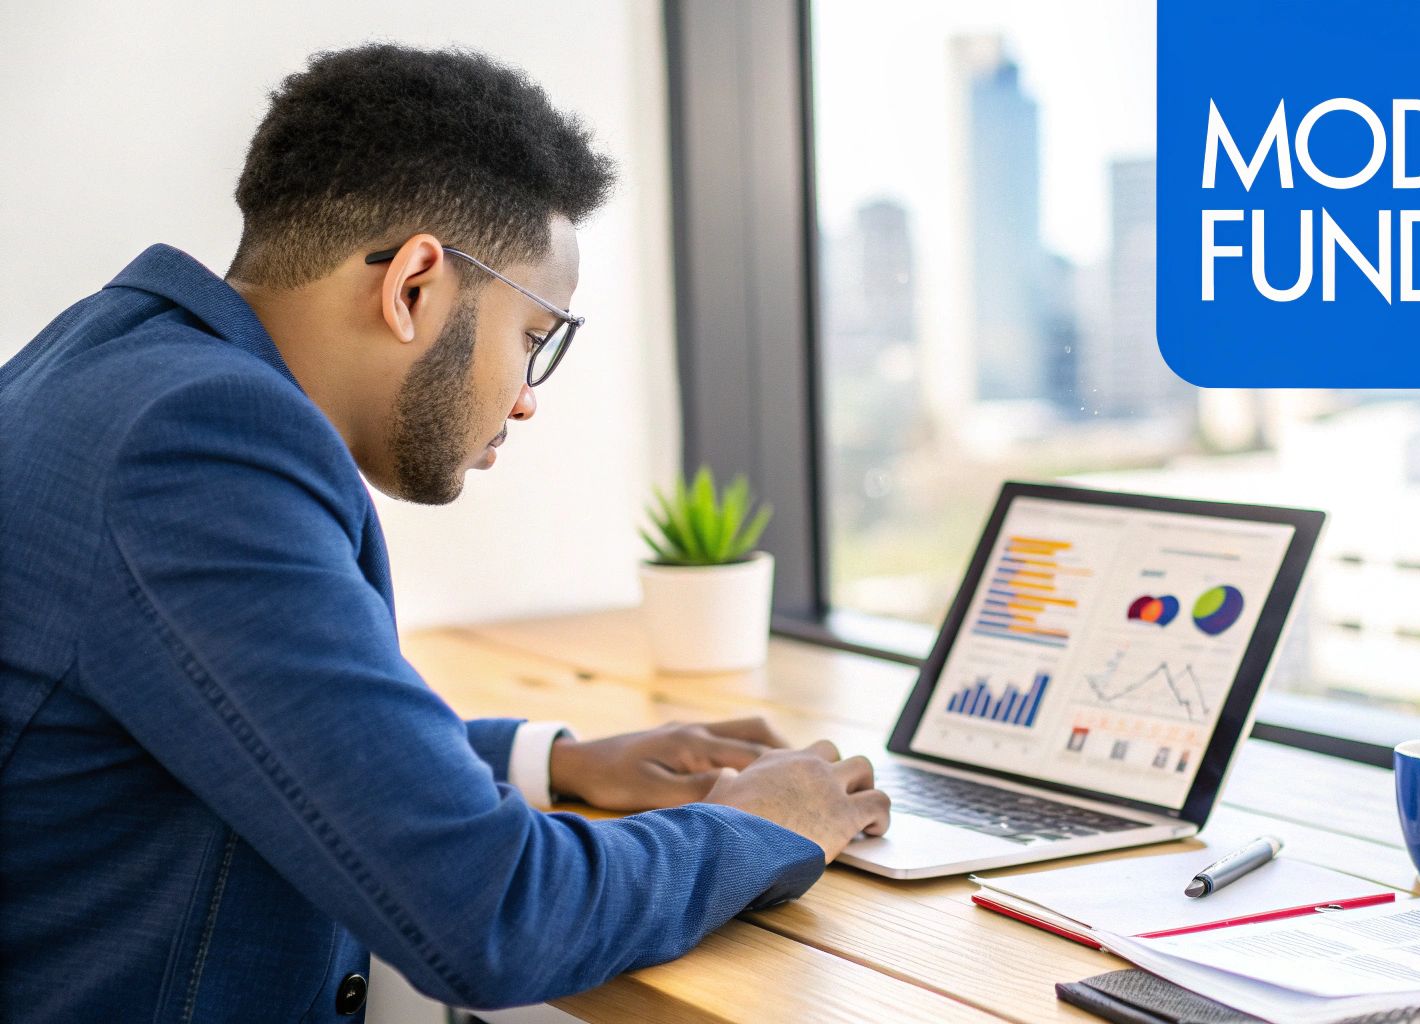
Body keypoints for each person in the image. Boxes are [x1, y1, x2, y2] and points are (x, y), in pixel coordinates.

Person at [0, 43, 890, 1020]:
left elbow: (239, 722)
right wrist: (759, 823)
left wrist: (552, 759)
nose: (527, 399)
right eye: (533, 337)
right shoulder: (200, 446)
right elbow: (493, 909)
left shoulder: (105, 363)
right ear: (414, 285)